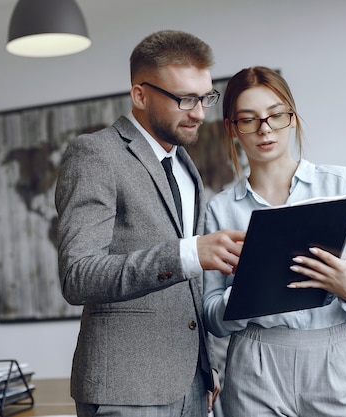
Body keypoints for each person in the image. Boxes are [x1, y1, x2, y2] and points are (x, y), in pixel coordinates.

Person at [55, 30, 245, 417]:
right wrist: (189, 253)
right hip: (123, 390)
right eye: (185, 99)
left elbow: (187, 291)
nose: (199, 112)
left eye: (206, 97)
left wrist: (205, 367)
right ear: (140, 95)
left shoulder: (186, 168)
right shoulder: (96, 154)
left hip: (192, 385)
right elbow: (78, 275)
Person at [202, 66, 346, 417]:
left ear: (292, 118)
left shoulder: (339, 184)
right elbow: (211, 317)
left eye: (276, 115)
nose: (265, 129)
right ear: (232, 129)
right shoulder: (221, 210)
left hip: (337, 355)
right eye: (249, 120)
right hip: (255, 365)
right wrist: (246, 293)